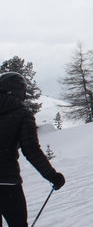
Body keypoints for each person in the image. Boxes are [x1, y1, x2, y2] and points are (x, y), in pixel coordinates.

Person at [0, 72, 65, 226]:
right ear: (18, 91)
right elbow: (31, 151)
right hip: (6, 182)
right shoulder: (23, 114)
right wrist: (53, 176)